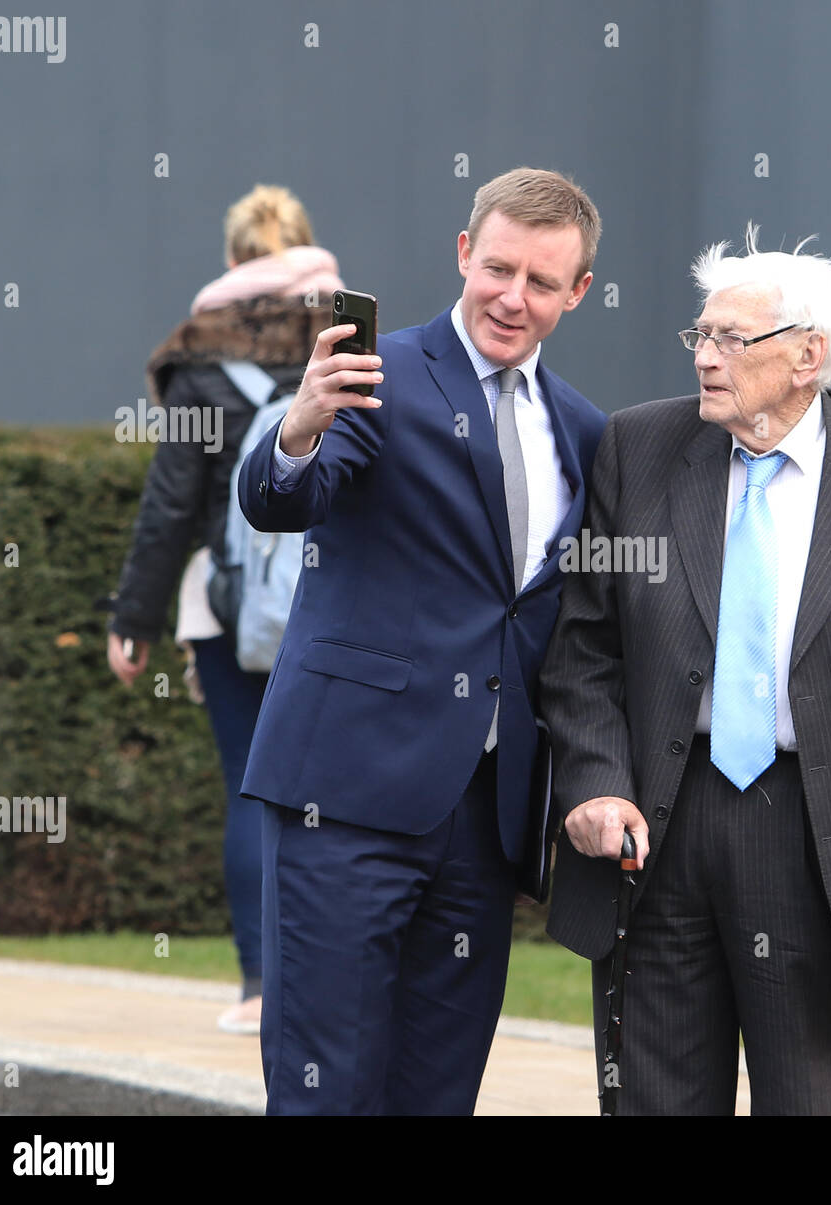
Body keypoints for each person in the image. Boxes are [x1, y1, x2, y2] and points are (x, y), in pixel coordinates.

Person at [539, 225, 831, 1115]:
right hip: (658, 827)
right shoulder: (639, 449)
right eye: (699, 336)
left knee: (813, 1099)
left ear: (807, 356)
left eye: (730, 340)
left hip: (820, 835)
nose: (705, 358)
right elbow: (585, 647)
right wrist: (593, 785)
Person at [236, 167, 605, 1115]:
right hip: (345, 798)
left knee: (437, 1094)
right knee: (327, 1089)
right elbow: (281, 497)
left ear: (578, 292)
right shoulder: (376, 376)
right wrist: (302, 426)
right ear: (462, 256)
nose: (512, 298)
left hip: (486, 821)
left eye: (540, 282)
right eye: (498, 269)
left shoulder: (585, 433)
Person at [107, 184, 343, 1034]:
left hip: (225, 601)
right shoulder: (346, 333)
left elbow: (172, 504)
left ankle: (257, 990)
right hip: (334, 599)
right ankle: (321, 988)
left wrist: (131, 619)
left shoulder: (201, 353)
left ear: (235, 258)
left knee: (252, 791)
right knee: (326, 799)